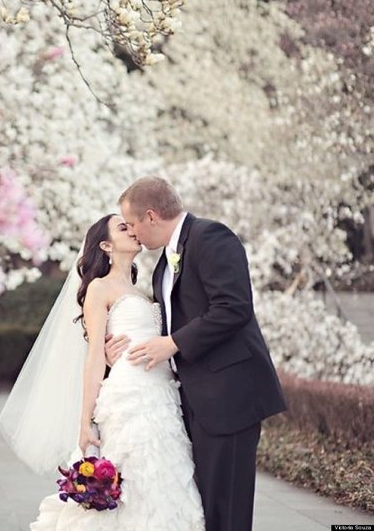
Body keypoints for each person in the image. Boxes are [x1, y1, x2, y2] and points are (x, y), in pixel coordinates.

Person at [0, 214, 204, 530]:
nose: (133, 231)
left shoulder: (143, 289)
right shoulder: (98, 288)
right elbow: (94, 356)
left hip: (162, 397)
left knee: (164, 479)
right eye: (123, 228)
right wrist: (85, 422)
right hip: (129, 399)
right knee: (133, 483)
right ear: (106, 245)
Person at [112, 176, 287, 531]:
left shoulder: (212, 237)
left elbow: (233, 307)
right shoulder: (163, 262)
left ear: (150, 216)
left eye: (131, 224)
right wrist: (121, 341)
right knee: (205, 505)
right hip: (193, 397)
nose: (133, 233)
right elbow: (174, 318)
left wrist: (173, 343)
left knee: (228, 506)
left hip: (230, 395)